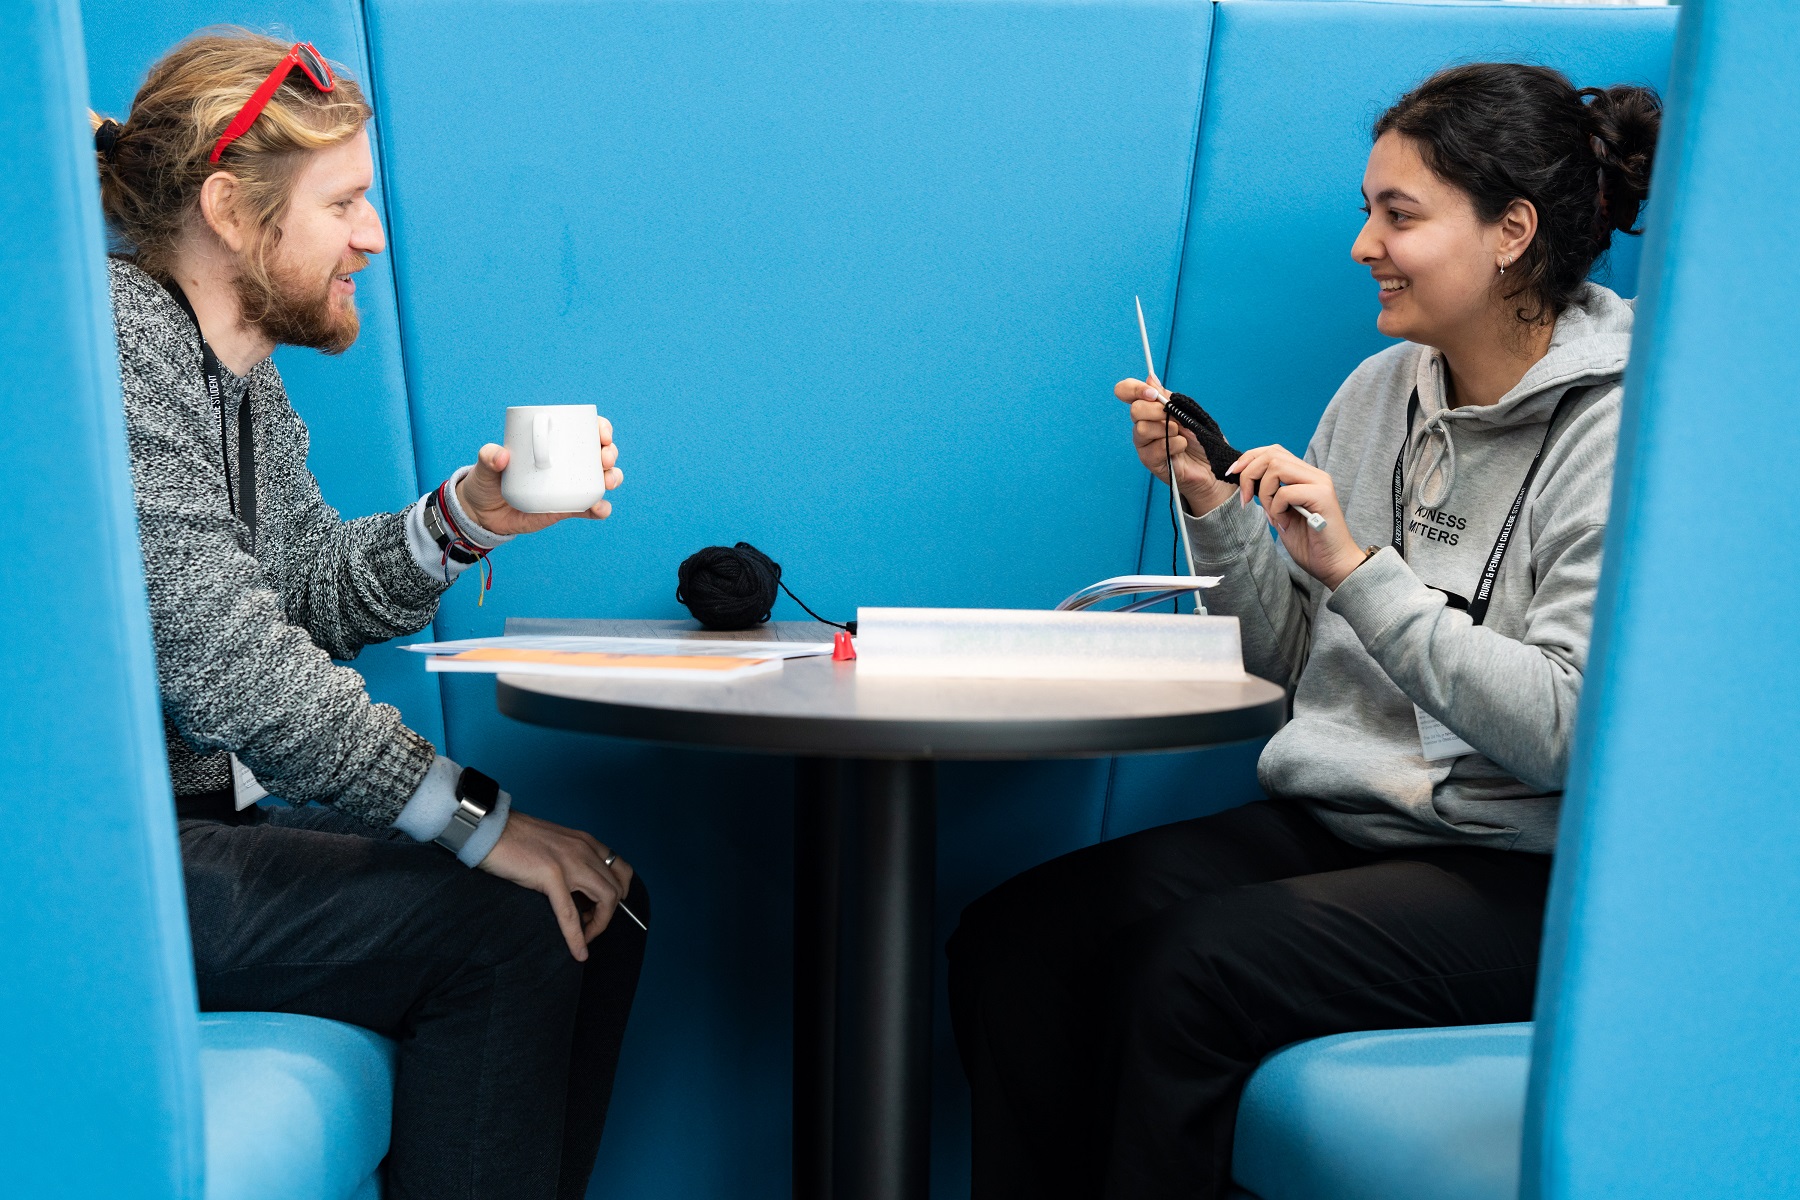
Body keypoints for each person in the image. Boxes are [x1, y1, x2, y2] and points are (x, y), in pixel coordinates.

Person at [946, 63, 1661, 1199]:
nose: (1362, 245)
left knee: (1187, 974)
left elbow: (1569, 732)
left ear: (1512, 231)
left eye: (1399, 214)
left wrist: (1362, 571)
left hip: (1520, 874)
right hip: (1342, 824)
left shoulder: (1626, 432)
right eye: (1367, 209)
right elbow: (1290, 664)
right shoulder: (1383, 391)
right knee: (1019, 942)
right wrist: (1212, 506)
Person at [92, 31, 645, 1200]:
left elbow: (304, 595)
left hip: (186, 840)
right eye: (343, 202)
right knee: (512, 921)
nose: (373, 237)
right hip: (100, 868)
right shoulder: (121, 344)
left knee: (600, 896)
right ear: (232, 210)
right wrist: (477, 820)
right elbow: (236, 668)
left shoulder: (229, 364)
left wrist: (473, 516)